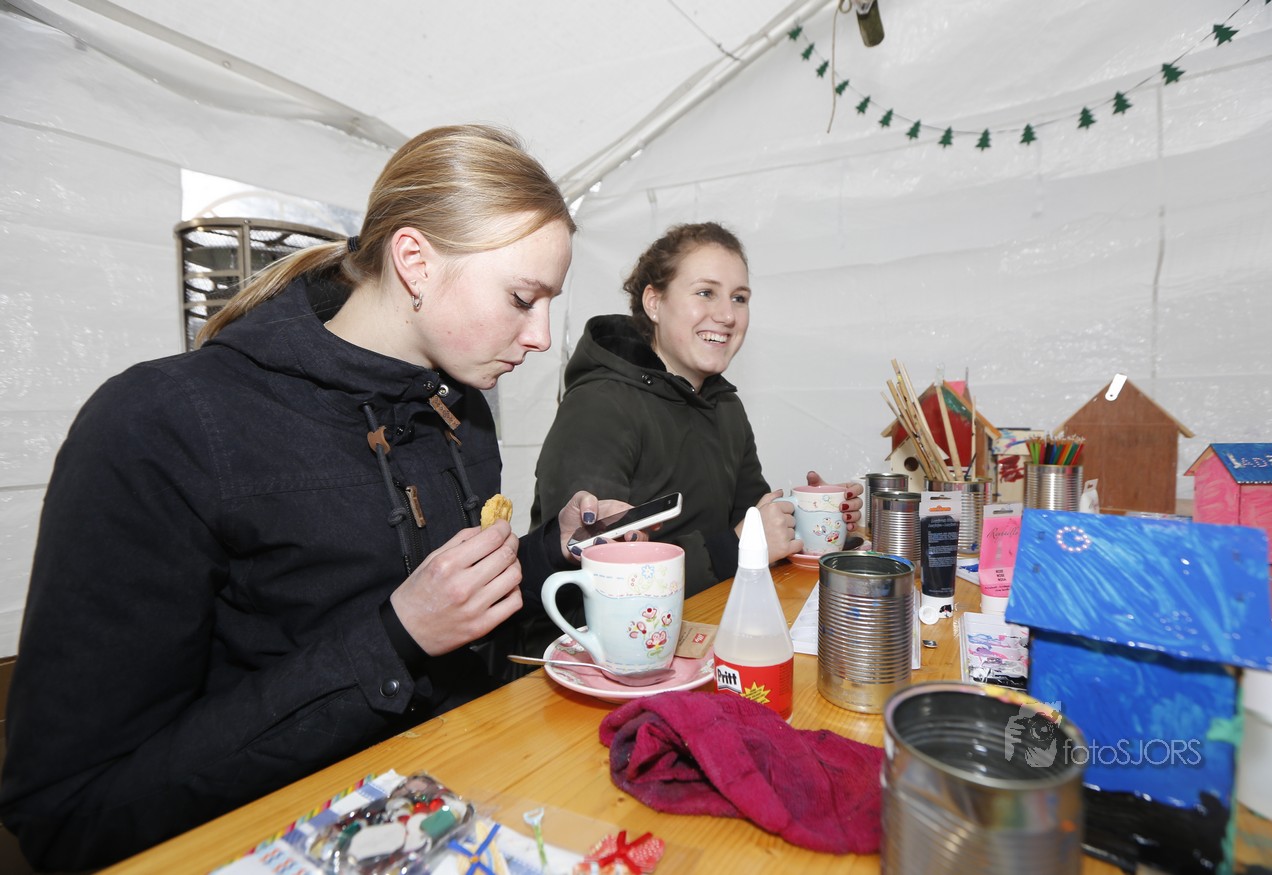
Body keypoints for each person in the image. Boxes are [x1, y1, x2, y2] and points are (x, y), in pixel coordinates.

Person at [0, 125, 634, 871]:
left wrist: (549, 550)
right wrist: (395, 637)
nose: (542, 336)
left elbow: (458, 619)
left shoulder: (459, 410)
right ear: (414, 261)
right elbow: (72, 813)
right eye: (523, 298)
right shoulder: (162, 423)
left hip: (459, 807)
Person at [530, 221, 862, 598]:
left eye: (739, 298)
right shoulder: (599, 407)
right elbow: (593, 576)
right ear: (654, 303)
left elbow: (751, 520)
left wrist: (813, 519)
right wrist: (736, 546)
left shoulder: (726, 406)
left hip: (707, 614)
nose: (727, 315)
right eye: (706, 292)